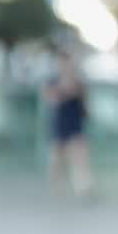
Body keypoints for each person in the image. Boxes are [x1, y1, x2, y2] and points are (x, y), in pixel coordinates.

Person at [43, 49, 94, 199]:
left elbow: (84, 104)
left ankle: (84, 188)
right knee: (56, 161)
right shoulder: (51, 81)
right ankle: (56, 188)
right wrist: (66, 89)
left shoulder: (79, 82)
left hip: (75, 125)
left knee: (80, 159)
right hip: (59, 125)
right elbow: (52, 99)